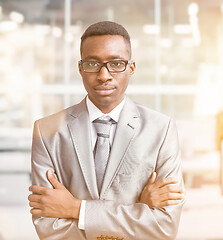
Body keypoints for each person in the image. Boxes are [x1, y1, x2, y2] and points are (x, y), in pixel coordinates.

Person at [28, 21, 184, 240]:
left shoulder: (161, 129)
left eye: (116, 64)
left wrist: (76, 209)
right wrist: (139, 210)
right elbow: (49, 228)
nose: (104, 75)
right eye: (92, 64)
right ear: (80, 68)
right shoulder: (47, 131)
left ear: (131, 68)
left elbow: (165, 227)